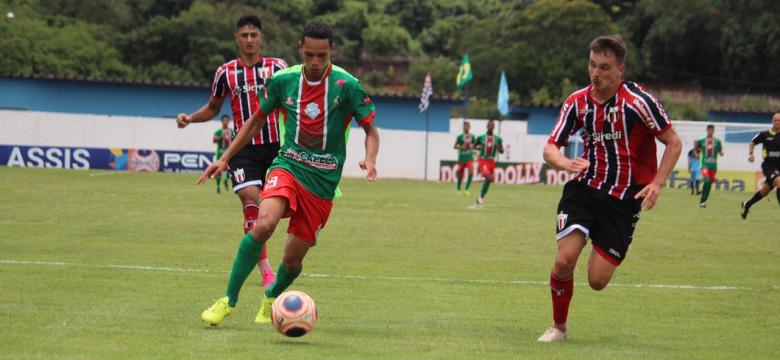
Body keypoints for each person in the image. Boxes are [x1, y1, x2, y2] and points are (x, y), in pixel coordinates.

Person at [198, 21, 380, 326]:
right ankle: (228, 299)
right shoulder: (284, 81)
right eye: (309, 54)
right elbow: (255, 121)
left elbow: (371, 131)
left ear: (331, 51)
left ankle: (271, 294)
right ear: (301, 49)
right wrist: (226, 157)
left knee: (293, 262)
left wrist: (370, 159)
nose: (314, 62)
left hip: (322, 182)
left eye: (321, 55)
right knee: (263, 223)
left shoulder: (347, 86)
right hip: (288, 166)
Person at [539, 35, 681, 342]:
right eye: (592, 65)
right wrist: (564, 163)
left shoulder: (640, 102)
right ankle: (559, 328)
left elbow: (673, 142)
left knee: (597, 281)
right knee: (564, 259)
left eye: (604, 67)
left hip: (623, 200)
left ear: (620, 70)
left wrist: (657, 183)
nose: (595, 73)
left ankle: (598, 243)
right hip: (584, 190)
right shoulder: (577, 102)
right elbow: (550, 147)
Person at [176, 15, 287, 287]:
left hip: (277, 148)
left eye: (254, 35)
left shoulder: (278, 68)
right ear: (236, 38)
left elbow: (290, 102)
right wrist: (189, 118)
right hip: (243, 149)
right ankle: (266, 270)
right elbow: (213, 108)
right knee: (252, 204)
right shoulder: (225, 72)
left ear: (261, 38)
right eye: (244, 35)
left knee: (279, 208)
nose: (249, 40)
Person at [740, 113, 780, 219]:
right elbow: (752, 142)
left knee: (764, 191)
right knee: (779, 182)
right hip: (769, 166)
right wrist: (751, 154)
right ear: (772, 121)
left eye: (779, 120)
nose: (777, 122)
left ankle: (747, 204)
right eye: (776, 120)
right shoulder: (764, 135)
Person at [473, 119, 504, 207]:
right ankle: (480, 198)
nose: (490, 127)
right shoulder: (481, 137)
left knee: (488, 180)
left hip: (491, 161)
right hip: (483, 160)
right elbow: (474, 146)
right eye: (489, 125)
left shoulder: (498, 139)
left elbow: (502, 151)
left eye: (492, 125)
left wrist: (499, 148)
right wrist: (478, 148)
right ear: (487, 126)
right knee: (489, 177)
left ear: (494, 127)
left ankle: (480, 198)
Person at [694, 125, 724, 208]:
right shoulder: (701, 141)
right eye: (709, 130)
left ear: (714, 131)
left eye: (712, 130)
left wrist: (721, 153)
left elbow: (720, 151)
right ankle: (702, 200)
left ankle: (703, 202)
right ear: (707, 130)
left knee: (709, 184)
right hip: (704, 164)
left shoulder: (718, 142)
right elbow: (696, 149)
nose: (710, 131)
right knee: (706, 180)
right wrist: (696, 154)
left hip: (713, 166)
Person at [213, 115, 234, 194]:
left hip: (229, 153)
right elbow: (214, 140)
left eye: (227, 120)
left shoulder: (231, 131)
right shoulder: (219, 131)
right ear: (222, 121)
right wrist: (221, 136)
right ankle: (218, 186)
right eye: (224, 120)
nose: (226, 122)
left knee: (231, 169)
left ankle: (226, 180)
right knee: (219, 170)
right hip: (220, 153)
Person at [453, 121, 476, 195]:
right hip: (462, 157)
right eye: (464, 126)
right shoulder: (460, 136)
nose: (465, 127)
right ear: (463, 128)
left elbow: (475, 146)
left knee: (471, 172)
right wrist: (461, 147)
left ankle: (466, 190)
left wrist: (472, 146)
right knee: (460, 174)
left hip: (469, 157)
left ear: (469, 127)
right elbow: (455, 146)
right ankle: (458, 189)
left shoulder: (472, 136)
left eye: (467, 126)